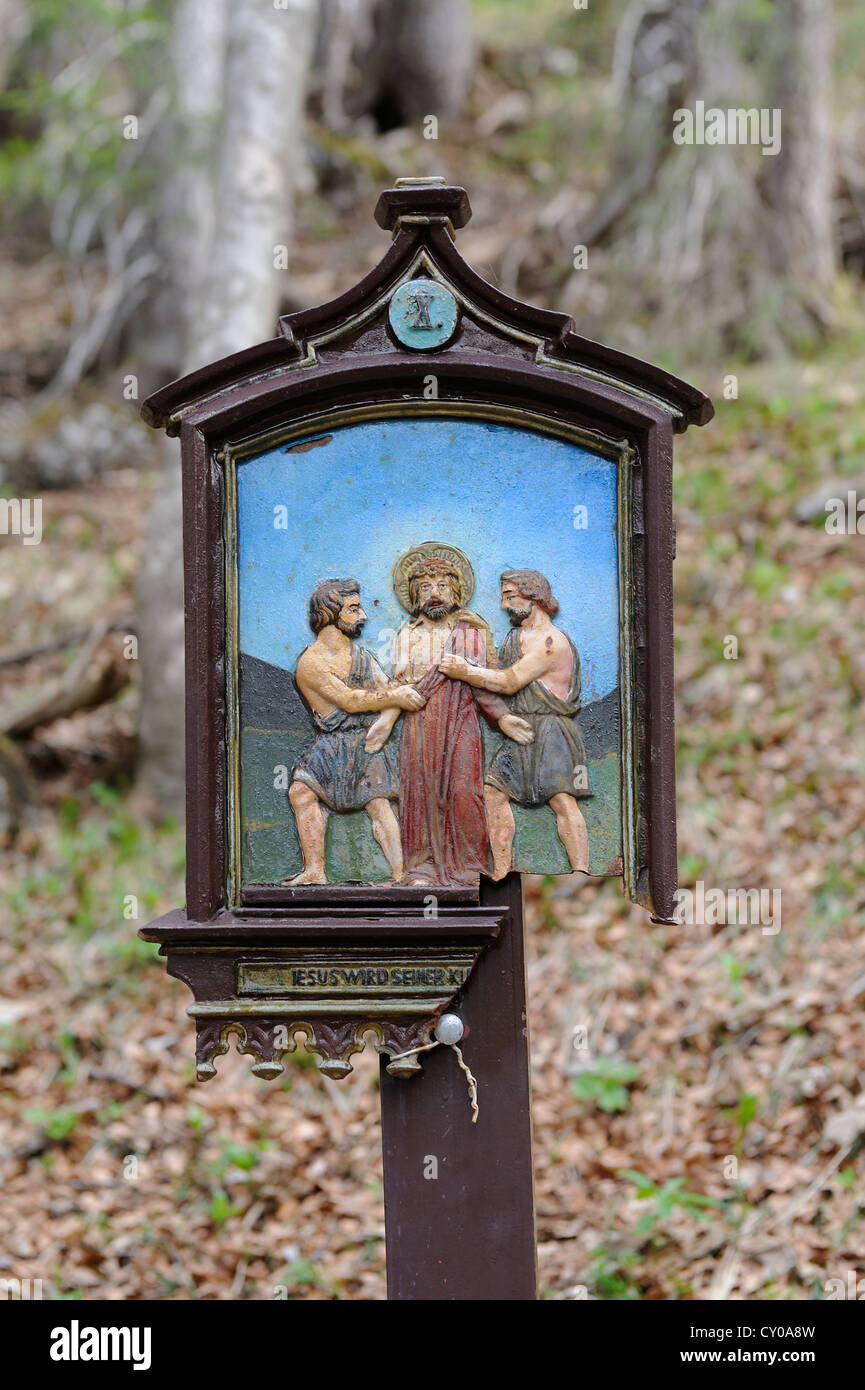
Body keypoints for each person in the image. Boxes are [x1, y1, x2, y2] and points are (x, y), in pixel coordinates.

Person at [367, 546, 533, 887]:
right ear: (414, 595)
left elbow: (485, 681)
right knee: (420, 791)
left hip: (461, 717)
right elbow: (401, 684)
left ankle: (468, 865)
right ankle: (422, 867)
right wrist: (386, 721)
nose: (435, 593)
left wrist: (502, 718)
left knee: (463, 791)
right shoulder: (408, 634)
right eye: (426, 588)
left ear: (455, 591)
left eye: (442, 586)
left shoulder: (471, 631)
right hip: (420, 721)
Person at [440, 568, 591, 878]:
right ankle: (502, 869)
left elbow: (509, 681)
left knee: (562, 798)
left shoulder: (551, 641)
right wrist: (483, 630)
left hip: (551, 731)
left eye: (510, 596)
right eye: (502, 597)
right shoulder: (516, 636)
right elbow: (496, 672)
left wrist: (464, 670)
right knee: (494, 792)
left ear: (533, 596)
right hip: (522, 728)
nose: (504, 605)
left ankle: (580, 871)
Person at [285, 578, 424, 885]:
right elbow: (350, 700)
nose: (363, 616)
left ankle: (402, 875)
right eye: (353, 609)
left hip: (365, 740)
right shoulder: (312, 663)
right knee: (301, 792)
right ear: (330, 612)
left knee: (379, 803)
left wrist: (386, 722)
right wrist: (396, 698)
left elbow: (386, 688)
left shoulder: (360, 655)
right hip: (331, 745)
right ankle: (315, 870)